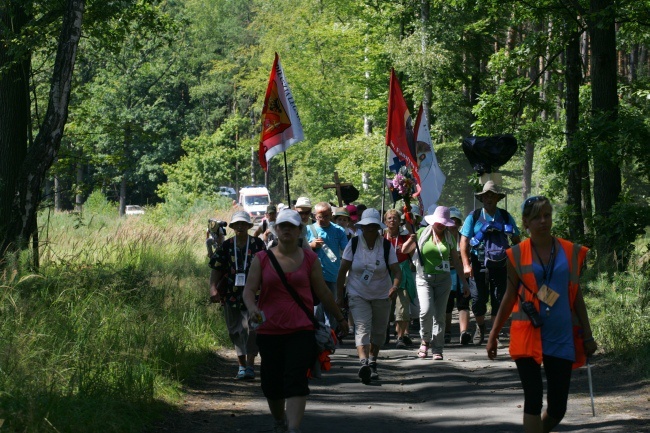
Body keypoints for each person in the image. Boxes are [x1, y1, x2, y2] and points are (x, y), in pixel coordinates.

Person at [486, 196, 597, 433]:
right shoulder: (515, 254)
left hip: (561, 333)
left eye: (547, 215)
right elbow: (509, 296)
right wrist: (494, 333)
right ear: (526, 222)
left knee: (558, 408)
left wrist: (587, 335)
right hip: (528, 332)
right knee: (534, 399)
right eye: (536, 217)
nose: (543, 221)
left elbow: (576, 295)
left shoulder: (569, 250)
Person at [243, 209, 348, 433]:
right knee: (271, 385)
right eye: (283, 226)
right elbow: (249, 290)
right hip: (269, 331)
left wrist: (340, 318)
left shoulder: (310, 258)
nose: (287, 229)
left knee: (296, 380)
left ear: (300, 230)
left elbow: (323, 292)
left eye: (292, 226)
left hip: (301, 330)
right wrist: (252, 308)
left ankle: (293, 429)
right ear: (276, 229)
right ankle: (280, 421)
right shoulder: (261, 259)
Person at [337, 208, 401, 383]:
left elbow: (396, 271)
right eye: (367, 226)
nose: (370, 229)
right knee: (362, 327)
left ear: (378, 227)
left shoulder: (386, 245)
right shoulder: (354, 244)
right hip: (357, 292)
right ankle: (363, 362)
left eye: (374, 226)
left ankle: (373, 360)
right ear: (361, 227)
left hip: (382, 293)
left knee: (379, 331)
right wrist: (339, 295)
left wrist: (395, 287)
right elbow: (342, 271)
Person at [460, 181, 521, 345]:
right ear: (482, 198)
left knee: (499, 299)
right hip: (478, 263)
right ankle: (480, 327)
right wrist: (466, 264)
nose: (489, 198)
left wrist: (511, 234)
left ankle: (495, 332)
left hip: (501, 264)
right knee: (478, 299)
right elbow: (464, 241)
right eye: (486, 195)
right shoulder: (474, 216)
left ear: (497, 198)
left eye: (492, 195)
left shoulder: (506, 216)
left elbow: (516, 239)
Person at [209, 211, 266, 380]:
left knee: (253, 329)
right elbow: (216, 268)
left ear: (249, 226)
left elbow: (268, 268)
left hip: (255, 295)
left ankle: (250, 366)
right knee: (235, 330)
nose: (240, 227)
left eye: (243, 224)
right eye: (237, 224)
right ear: (232, 227)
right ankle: (241, 366)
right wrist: (213, 288)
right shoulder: (227, 246)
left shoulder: (258, 244)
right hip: (230, 294)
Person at [414, 206, 469, 361]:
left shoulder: (450, 237)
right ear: (433, 221)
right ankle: (425, 340)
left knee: (439, 315)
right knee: (426, 311)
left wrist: (464, 283)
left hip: (444, 279)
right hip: (424, 277)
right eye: (439, 222)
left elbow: (456, 262)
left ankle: (437, 348)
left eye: (444, 223)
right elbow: (405, 250)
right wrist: (411, 241)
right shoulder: (421, 233)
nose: (441, 225)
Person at [306, 202, 349, 331]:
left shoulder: (338, 230)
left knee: (332, 308)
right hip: (315, 277)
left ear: (331, 215)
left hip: (333, 276)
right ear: (315, 216)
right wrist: (311, 245)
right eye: (320, 216)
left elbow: (346, 250)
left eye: (326, 216)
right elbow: (300, 251)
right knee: (316, 310)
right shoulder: (308, 230)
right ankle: (317, 336)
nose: (323, 219)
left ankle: (331, 337)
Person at [383, 209, 417, 348]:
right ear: (385, 221)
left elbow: (411, 253)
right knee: (385, 307)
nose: (392, 220)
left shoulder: (406, 236)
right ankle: (384, 332)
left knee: (402, 306)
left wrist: (411, 239)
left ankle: (401, 337)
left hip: (402, 273)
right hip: (385, 274)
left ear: (399, 220)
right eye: (389, 218)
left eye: (395, 218)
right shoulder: (381, 236)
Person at [444, 207, 472, 345]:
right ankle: (446, 332)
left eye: (456, 221)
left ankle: (464, 333)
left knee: (463, 303)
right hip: (446, 274)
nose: (453, 224)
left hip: (462, 275)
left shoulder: (464, 238)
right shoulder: (442, 239)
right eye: (451, 221)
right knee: (447, 305)